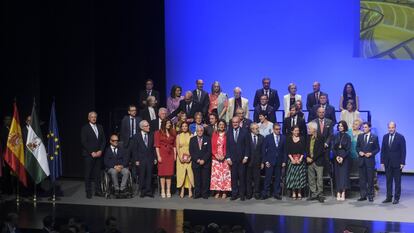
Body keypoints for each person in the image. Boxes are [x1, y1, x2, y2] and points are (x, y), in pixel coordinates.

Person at [81, 111, 106, 199]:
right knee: (88, 174)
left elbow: (103, 140)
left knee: (97, 174)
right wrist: (92, 152)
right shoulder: (85, 128)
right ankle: (88, 191)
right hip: (89, 155)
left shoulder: (100, 127)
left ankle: (98, 191)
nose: (94, 118)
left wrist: (100, 151)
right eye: (92, 117)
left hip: (98, 154)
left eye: (95, 117)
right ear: (89, 118)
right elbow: (84, 142)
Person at [381, 121, 406, 204]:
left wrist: (402, 162)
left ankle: (396, 198)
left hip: (397, 163)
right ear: (388, 128)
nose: (391, 129)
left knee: (397, 181)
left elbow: (403, 151)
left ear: (395, 128)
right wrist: (382, 162)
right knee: (388, 181)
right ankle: (388, 197)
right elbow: (383, 150)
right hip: (387, 163)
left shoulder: (400, 137)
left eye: (392, 127)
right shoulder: (385, 137)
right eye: (389, 127)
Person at [356, 122, 380, 202]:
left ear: (369, 128)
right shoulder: (360, 136)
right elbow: (357, 147)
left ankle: (370, 195)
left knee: (370, 179)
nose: (364, 129)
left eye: (365, 127)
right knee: (362, 179)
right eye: (363, 127)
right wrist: (359, 152)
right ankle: (363, 195)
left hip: (370, 161)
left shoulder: (374, 137)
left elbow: (377, 149)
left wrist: (371, 153)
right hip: (361, 160)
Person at [261, 123, 286, 200]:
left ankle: (276, 193)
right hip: (270, 161)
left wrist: (284, 161)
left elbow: (285, 150)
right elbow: (263, 150)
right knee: (268, 178)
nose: (278, 131)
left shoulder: (283, 137)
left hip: (279, 161)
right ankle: (265, 193)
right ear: (273, 129)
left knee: (278, 179)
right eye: (277, 129)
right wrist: (265, 161)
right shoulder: (268, 137)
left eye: (279, 129)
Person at [226, 116, 249, 201]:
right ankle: (234, 194)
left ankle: (242, 194)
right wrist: (228, 158)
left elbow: (247, 146)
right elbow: (227, 147)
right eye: (233, 122)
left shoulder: (245, 132)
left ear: (239, 122)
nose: (235, 124)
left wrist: (246, 157)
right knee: (234, 178)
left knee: (242, 177)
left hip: (242, 159)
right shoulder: (228, 132)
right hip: (232, 160)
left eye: (236, 122)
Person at [132, 120, 156, 198]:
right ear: (142, 127)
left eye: (148, 125)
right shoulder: (136, 136)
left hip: (150, 158)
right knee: (142, 175)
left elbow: (154, 148)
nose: (149, 127)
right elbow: (134, 149)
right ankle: (142, 191)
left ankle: (149, 191)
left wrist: (155, 157)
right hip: (141, 159)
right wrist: (136, 160)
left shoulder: (151, 135)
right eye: (147, 126)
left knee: (149, 175)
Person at [154, 119, 177, 198]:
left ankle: (168, 190)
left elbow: (174, 145)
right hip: (162, 154)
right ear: (163, 124)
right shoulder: (158, 133)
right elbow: (157, 146)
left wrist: (175, 155)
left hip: (170, 155)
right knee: (162, 174)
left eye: (170, 123)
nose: (169, 124)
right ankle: (163, 190)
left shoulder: (173, 132)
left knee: (169, 174)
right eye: (167, 123)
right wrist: (158, 156)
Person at [210, 120, 231, 199]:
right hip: (216, 158)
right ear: (217, 126)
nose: (221, 126)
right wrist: (216, 155)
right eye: (220, 124)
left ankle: (225, 192)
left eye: (223, 124)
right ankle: (218, 191)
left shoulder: (227, 135)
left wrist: (224, 156)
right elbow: (212, 146)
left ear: (225, 126)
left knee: (224, 176)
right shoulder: (214, 134)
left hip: (224, 158)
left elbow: (228, 146)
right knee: (217, 176)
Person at [305, 122, 326, 203]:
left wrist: (312, 159)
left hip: (318, 161)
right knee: (311, 178)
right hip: (309, 161)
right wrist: (306, 156)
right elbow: (306, 148)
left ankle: (320, 194)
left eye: (309, 128)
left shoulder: (321, 137)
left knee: (319, 178)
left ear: (314, 129)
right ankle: (314, 193)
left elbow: (320, 151)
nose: (308, 130)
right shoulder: (308, 137)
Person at [189, 126, 212, 199]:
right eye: (198, 131)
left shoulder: (207, 139)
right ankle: (197, 193)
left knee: (205, 179)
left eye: (201, 130)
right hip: (196, 163)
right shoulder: (192, 139)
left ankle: (205, 194)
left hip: (205, 163)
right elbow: (191, 151)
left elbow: (209, 151)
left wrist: (204, 160)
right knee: (197, 179)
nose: (200, 132)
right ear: (196, 131)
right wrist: (197, 160)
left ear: (203, 131)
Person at [286, 125, 307, 200]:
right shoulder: (289, 139)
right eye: (295, 131)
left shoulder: (302, 138)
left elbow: (304, 150)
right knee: (293, 177)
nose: (297, 132)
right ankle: (294, 192)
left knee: (299, 177)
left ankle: (299, 192)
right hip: (291, 160)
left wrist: (300, 159)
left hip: (300, 160)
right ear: (292, 131)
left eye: (298, 130)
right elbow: (287, 150)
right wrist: (292, 159)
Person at [333, 121, 351, 201]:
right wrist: (337, 157)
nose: (340, 127)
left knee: (344, 175)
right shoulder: (335, 135)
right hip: (336, 156)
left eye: (342, 126)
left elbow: (348, 149)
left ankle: (343, 192)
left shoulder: (347, 136)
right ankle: (338, 192)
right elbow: (333, 148)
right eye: (339, 126)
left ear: (345, 127)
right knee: (337, 175)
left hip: (345, 157)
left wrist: (342, 157)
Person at [312, 107, 334, 175]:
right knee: (317, 161)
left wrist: (326, 143)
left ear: (325, 113)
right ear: (317, 113)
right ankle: (318, 176)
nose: (321, 114)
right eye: (320, 112)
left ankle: (327, 176)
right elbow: (313, 134)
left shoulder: (329, 122)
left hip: (326, 146)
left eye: (323, 112)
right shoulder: (314, 122)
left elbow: (331, 134)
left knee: (326, 161)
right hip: (317, 146)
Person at [245, 123, 264, 200]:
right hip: (248, 162)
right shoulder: (247, 137)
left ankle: (256, 193)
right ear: (252, 129)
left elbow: (263, 151)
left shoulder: (261, 137)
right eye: (256, 128)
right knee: (248, 179)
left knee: (257, 179)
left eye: (258, 128)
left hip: (258, 162)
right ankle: (249, 193)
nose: (258, 130)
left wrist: (262, 162)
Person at [176, 122, 194, 198]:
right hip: (181, 157)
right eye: (183, 126)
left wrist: (190, 157)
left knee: (189, 173)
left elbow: (194, 147)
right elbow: (177, 147)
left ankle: (190, 190)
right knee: (181, 174)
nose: (184, 127)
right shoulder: (178, 136)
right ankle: (182, 190)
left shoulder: (191, 135)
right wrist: (180, 158)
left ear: (188, 127)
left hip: (189, 157)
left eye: (186, 126)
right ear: (181, 127)